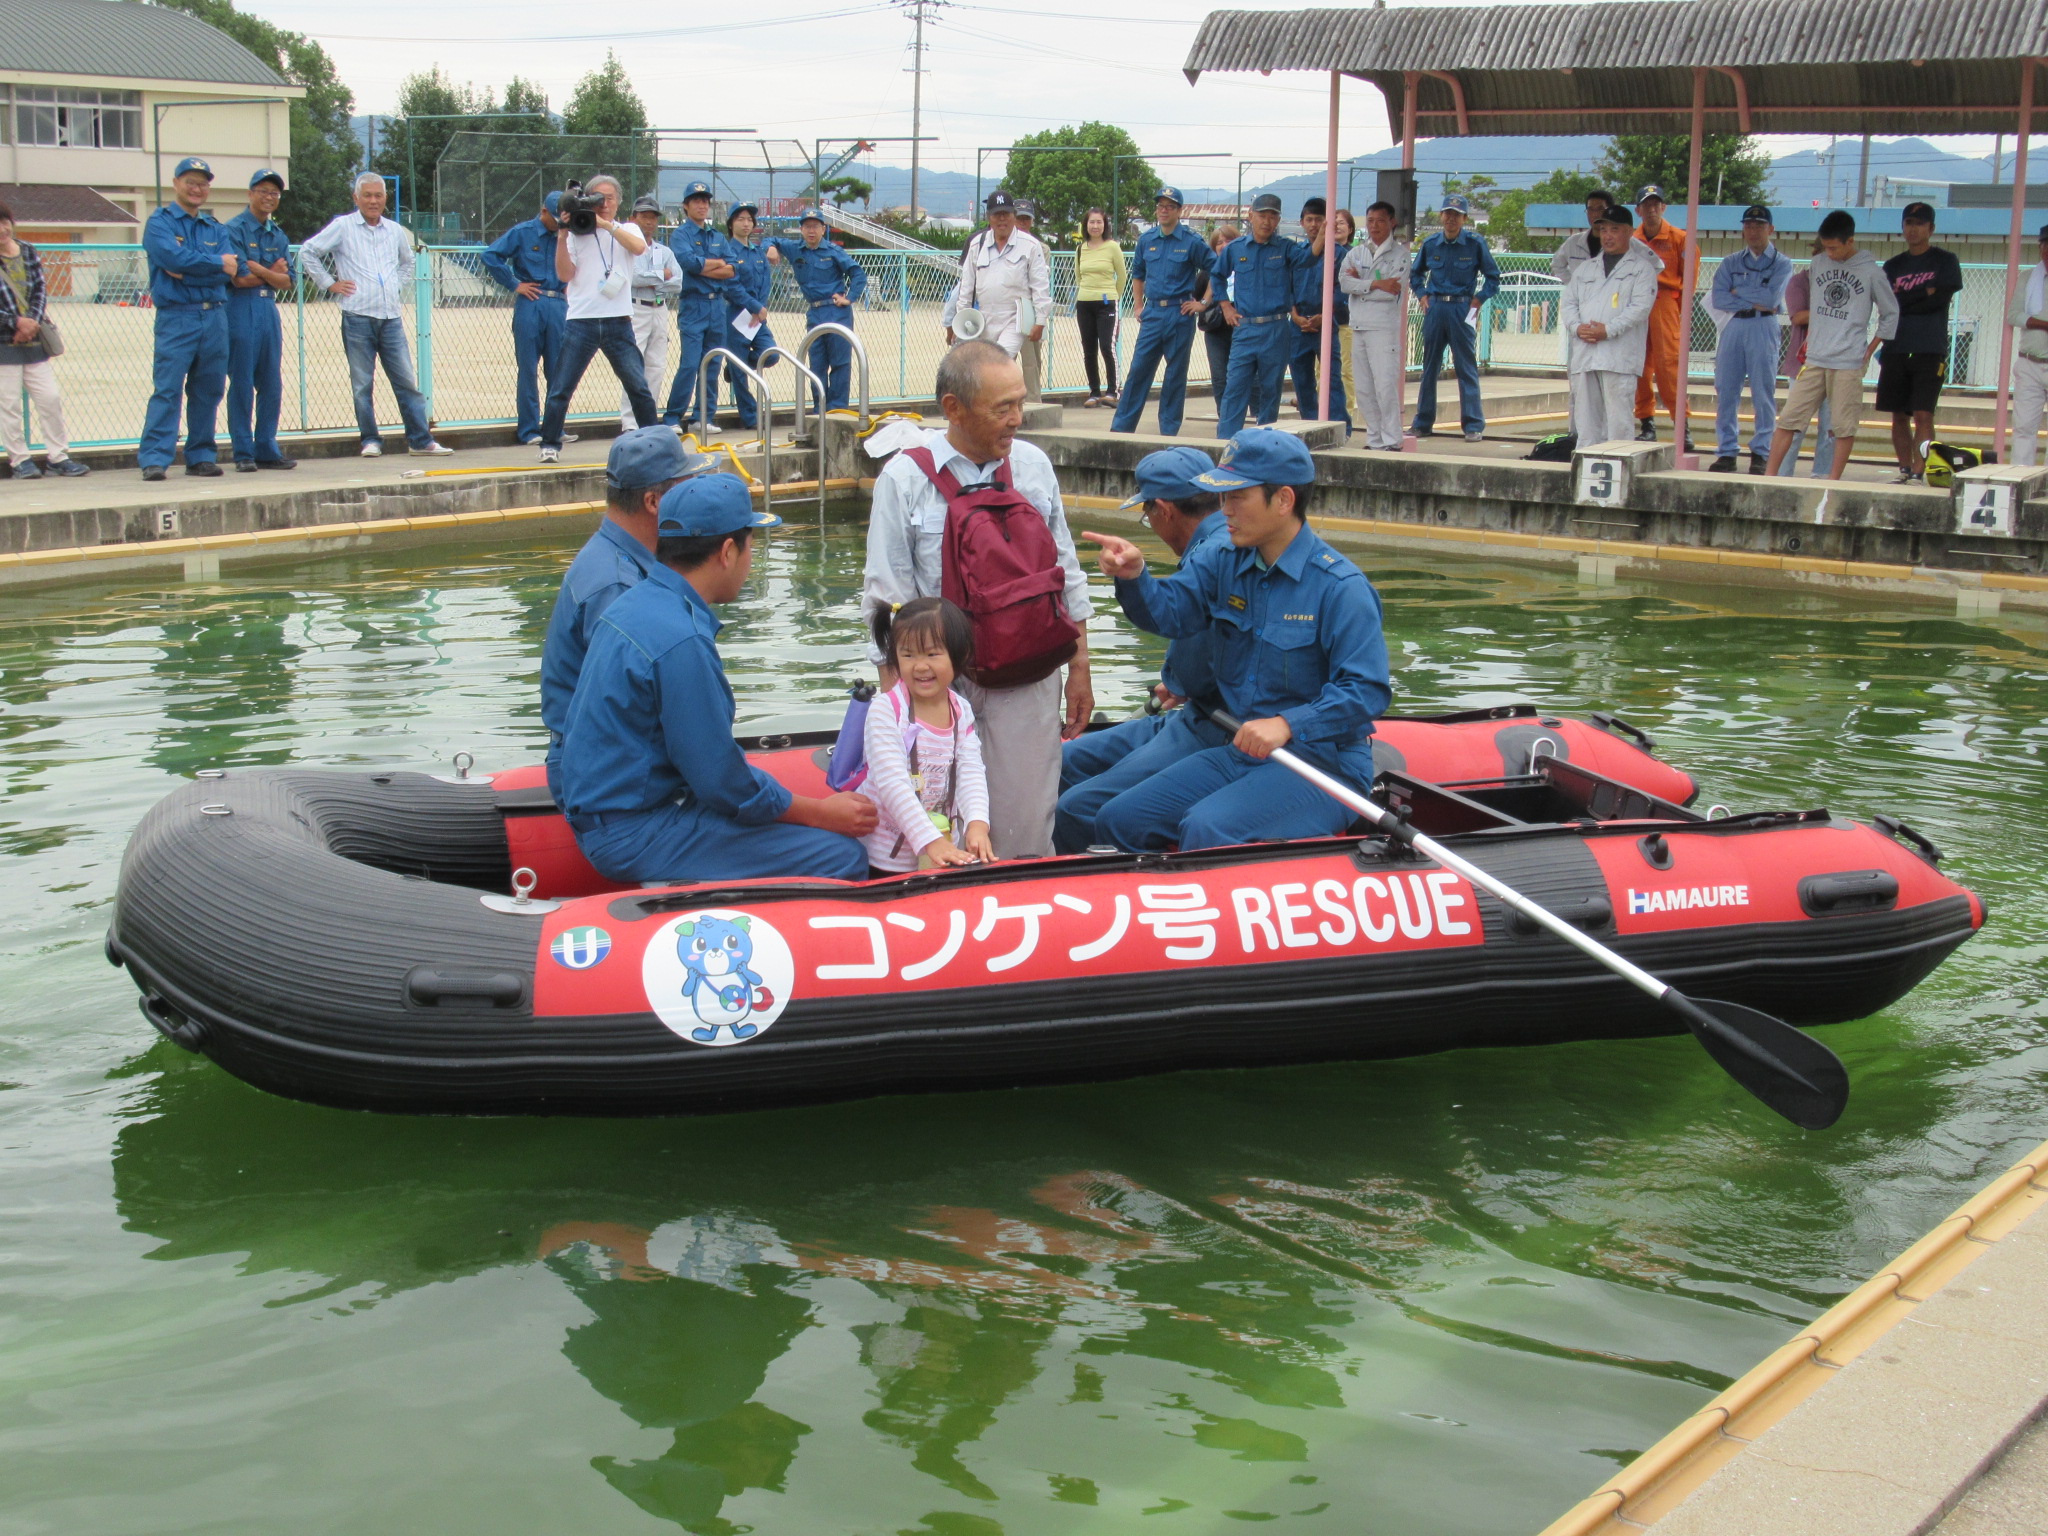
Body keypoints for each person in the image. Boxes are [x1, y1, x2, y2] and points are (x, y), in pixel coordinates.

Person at [1080, 429, 1390, 851]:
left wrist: (1286, 725)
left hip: (1323, 762)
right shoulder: (1226, 562)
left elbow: (1367, 691)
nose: (1223, 510)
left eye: (1236, 497)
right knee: (1120, 818)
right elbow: (1172, 611)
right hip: (1240, 748)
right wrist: (1135, 577)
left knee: (1208, 828)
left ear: (1283, 500)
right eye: (1222, 497)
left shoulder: (1340, 587)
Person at [558, 473, 876, 884]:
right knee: (841, 856)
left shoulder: (633, 603)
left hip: (612, 810)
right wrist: (820, 813)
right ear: (728, 551)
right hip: (635, 832)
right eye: (750, 547)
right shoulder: (681, 639)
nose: (750, 560)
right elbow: (722, 782)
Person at [864, 340, 1094, 859]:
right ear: (953, 408)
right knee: (935, 813)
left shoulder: (1033, 466)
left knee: (1026, 821)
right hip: (940, 678)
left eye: (1020, 402)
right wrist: (897, 703)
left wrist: (1079, 664)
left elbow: (1066, 572)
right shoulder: (903, 478)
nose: (1017, 418)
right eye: (1002, 408)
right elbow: (887, 595)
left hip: (1029, 670)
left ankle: (1026, 905)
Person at [1053, 446, 1229, 853]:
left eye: (1147, 515)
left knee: (1078, 807)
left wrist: (1183, 679)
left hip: (1210, 727)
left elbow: (1180, 623)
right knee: (1063, 763)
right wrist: (1179, 681)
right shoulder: (1217, 545)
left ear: (1164, 510)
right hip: (1192, 709)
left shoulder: (1210, 555)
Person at [540, 425, 714, 799]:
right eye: (685, 488)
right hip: (603, 771)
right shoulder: (618, 585)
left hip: (599, 753)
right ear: (654, 502)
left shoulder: (614, 557)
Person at [300, 173, 452, 461]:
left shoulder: (394, 230)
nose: (373, 201)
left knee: (406, 381)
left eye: (378, 196)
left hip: (390, 318)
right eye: (367, 195)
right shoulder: (343, 227)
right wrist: (329, 283)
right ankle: (370, 439)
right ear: (356, 199)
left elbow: (407, 262)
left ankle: (420, 440)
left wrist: (396, 283)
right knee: (362, 384)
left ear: (385, 199)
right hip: (357, 316)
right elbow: (309, 251)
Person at [860, 597, 995, 872]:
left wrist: (977, 823)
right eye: (908, 655)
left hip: (944, 846)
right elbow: (892, 784)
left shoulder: (960, 710)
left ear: (960, 654)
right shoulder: (886, 711)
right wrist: (929, 841)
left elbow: (970, 770)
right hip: (887, 855)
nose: (920, 666)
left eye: (932, 654)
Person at [1764, 211, 1899, 480]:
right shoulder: (1818, 264)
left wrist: (1870, 349)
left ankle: (1833, 479)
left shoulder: (1871, 272)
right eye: (1825, 247)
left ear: (1850, 241)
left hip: (1848, 361)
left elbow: (1891, 313)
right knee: (1790, 418)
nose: (1829, 252)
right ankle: (1769, 475)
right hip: (1815, 358)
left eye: (1834, 247)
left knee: (1842, 425)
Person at [535, 176, 655, 463]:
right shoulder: (578, 232)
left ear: (618, 202)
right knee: (562, 386)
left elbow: (638, 249)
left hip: (618, 321)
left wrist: (606, 225)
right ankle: (549, 443)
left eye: (609, 198)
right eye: (597, 199)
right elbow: (565, 275)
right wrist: (563, 234)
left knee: (637, 385)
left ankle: (654, 442)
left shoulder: (628, 228)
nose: (603, 204)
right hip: (582, 321)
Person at [139, 156, 237, 481]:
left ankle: (201, 456)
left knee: (208, 389)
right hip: (176, 318)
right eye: (190, 182)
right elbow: (170, 257)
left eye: (203, 183)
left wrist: (186, 273)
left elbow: (232, 270)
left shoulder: (215, 228)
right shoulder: (160, 223)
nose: (197, 189)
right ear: (176, 184)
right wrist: (215, 265)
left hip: (215, 318)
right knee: (167, 388)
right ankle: (155, 458)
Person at [1212, 193, 1324, 438]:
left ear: (1278, 220)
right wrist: (1225, 306)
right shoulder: (1236, 249)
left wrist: (1322, 235)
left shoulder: (1285, 248)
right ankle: (1227, 444)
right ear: (1251, 216)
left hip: (1276, 329)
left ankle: (1263, 443)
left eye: (1273, 216)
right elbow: (1217, 276)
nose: (1267, 221)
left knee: (1270, 390)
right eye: (1262, 215)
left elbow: (1307, 260)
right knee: (1235, 388)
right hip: (1245, 328)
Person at [0, 200, 88, 479]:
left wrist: (32, 322)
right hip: (4, 342)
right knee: (9, 403)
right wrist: (15, 322)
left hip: (34, 340)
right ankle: (19, 460)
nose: (2, 228)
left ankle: (58, 456)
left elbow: (40, 289)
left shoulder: (27, 251)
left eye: (4, 221)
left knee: (49, 398)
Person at [1110, 187, 1208, 437]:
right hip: (1153, 314)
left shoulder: (1191, 241)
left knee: (1175, 375)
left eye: (1170, 206)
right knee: (1138, 371)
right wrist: (1139, 305)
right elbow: (1138, 274)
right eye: (1160, 206)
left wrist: (1203, 303)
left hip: (1180, 313)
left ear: (1179, 211)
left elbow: (1217, 271)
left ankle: (1168, 432)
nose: (1163, 210)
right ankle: (1121, 429)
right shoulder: (1147, 240)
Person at [1562, 203, 1661, 446]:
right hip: (1585, 355)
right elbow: (1568, 304)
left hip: (1619, 356)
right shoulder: (1585, 268)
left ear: (1629, 232)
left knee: (1618, 423)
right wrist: (1577, 327)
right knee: (1586, 423)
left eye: (1614, 229)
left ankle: (1618, 475)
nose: (1607, 235)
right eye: (1603, 229)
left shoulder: (1641, 270)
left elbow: (1639, 309)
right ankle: (1585, 472)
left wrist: (1607, 330)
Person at [1879, 203, 1965, 483]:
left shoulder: (1945, 260)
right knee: (1898, 414)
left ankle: (1920, 470)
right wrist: (1923, 293)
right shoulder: (1893, 266)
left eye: (1919, 223)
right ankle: (1904, 468)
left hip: (1930, 347)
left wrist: (1908, 296)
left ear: (1931, 228)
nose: (1912, 229)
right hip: (1896, 347)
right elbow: (1890, 305)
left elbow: (1940, 300)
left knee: (1923, 413)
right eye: (1908, 222)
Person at [1707, 204, 1794, 474]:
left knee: (1763, 390)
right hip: (1734, 325)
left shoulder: (1782, 263)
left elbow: (1772, 300)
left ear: (1771, 229)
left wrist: (1739, 292)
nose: (1753, 230)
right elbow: (1719, 298)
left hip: (1763, 327)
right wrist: (1752, 296)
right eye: (1748, 225)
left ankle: (1761, 451)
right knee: (1726, 389)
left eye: (1758, 225)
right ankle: (1727, 451)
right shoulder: (1730, 262)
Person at [1408, 194, 1498, 443]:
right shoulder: (1430, 244)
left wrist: (1478, 300)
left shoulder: (1475, 243)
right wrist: (1422, 295)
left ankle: (1473, 425)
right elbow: (1415, 275)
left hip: (1462, 308)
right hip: (1436, 308)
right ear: (1441, 215)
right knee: (1430, 367)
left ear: (1465, 218)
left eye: (1457, 214)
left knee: (1466, 367)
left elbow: (1493, 277)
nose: (1451, 219)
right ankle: (1422, 423)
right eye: (1447, 213)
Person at [223, 168, 296, 472]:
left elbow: (287, 281)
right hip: (241, 308)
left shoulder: (277, 234)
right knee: (241, 381)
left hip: (268, 310)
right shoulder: (234, 230)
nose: (269, 197)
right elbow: (239, 279)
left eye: (275, 193)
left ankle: (266, 446)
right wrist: (271, 272)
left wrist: (261, 269)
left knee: (271, 383)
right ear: (250, 193)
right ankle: (243, 452)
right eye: (263, 191)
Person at [480, 192, 566, 445]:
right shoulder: (523, 232)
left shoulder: (567, 234)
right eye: (555, 219)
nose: (558, 224)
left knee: (558, 371)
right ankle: (529, 430)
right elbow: (490, 256)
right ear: (543, 212)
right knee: (528, 369)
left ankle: (555, 429)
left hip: (559, 302)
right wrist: (514, 284)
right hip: (531, 302)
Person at [763, 207, 868, 414]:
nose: (811, 231)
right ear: (801, 229)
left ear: (823, 229)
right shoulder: (795, 249)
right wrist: (771, 248)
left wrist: (849, 298)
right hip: (814, 313)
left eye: (816, 227)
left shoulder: (833, 251)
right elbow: (770, 240)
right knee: (816, 364)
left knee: (840, 363)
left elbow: (858, 274)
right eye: (807, 226)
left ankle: (837, 410)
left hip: (836, 312)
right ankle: (819, 409)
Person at [661, 181, 738, 430]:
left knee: (713, 362)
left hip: (717, 307)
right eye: (696, 200)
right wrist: (715, 264)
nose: (702, 205)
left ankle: (703, 417)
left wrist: (707, 266)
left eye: (705, 201)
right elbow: (688, 264)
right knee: (690, 363)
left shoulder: (716, 235)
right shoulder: (681, 235)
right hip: (693, 305)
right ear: (686, 206)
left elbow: (732, 268)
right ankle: (673, 417)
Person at [951, 192, 1050, 370]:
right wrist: (962, 319)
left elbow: (1040, 285)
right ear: (989, 217)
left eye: (1006, 214)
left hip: (1015, 319)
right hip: (983, 319)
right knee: (983, 369)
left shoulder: (1030, 245)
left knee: (998, 362)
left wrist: (1041, 320)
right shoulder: (976, 245)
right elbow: (966, 287)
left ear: (1014, 215)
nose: (1002, 219)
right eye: (997, 214)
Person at [1339, 200, 1409, 452]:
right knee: (1364, 388)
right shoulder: (1357, 252)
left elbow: (1392, 291)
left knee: (1385, 385)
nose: (1375, 226)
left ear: (1392, 222)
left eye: (1380, 220)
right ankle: (1375, 439)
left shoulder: (1400, 254)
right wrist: (1375, 284)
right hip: (1358, 325)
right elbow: (1344, 282)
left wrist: (1363, 285)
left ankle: (1392, 439)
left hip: (1383, 328)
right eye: (1370, 221)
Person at [1630, 185, 1691, 447]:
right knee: (1639, 367)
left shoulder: (1680, 239)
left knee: (1669, 367)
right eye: (1647, 205)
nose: (1652, 209)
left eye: (1657, 204)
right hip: (1637, 304)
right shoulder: (1631, 240)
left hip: (1665, 303)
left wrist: (1680, 312)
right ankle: (1647, 423)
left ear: (1664, 208)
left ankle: (1682, 427)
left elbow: (1690, 282)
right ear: (1638, 210)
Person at [620, 194, 683, 431]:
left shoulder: (663, 251)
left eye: (653, 217)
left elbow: (677, 282)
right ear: (632, 219)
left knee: (656, 366)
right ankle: (629, 422)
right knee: (633, 366)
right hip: (636, 308)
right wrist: (660, 276)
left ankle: (648, 419)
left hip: (660, 307)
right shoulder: (626, 248)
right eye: (644, 216)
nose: (649, 222)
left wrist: (652, 281)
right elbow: (632, 277)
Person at [1288, 196, 1350, 434]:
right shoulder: (1296, 253)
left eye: (1319, 220)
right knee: (1302, 380)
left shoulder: (1339, 254)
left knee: (1332, 380)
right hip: (1298, 325)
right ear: (1302, 222)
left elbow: (1343, 290)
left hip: (1326, 323)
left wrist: (1325, 315)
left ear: (1328, 222)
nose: (1314, 225)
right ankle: (1309, 428)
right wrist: (1293, 314)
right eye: (1309, 220)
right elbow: (1287, 287)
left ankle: (1340, 429)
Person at [1774, 239, 1833, 479]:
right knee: (1794, 424)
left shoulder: (1842, 283)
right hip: (1803, 363)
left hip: (1835, 361)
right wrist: (1834, 311)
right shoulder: (1799, 282)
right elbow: (1798, 317)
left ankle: (1823, 475)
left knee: (1830, 428)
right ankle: (1783, 475)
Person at [713, 202, 773, 430]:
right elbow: (731, 286)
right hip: (736, 314)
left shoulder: (757, 251)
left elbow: (765, 280)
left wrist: (760, 308)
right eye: (740, 219)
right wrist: (753, 306)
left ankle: (735, 366)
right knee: (741, 375)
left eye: (749, 219)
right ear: (731, 224)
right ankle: (751, 417)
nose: (746, 224)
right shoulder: (728, 252)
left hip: (757, 316)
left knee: (771, 354)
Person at [1073, 207, 1126, 409]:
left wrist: (1114, 296)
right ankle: (1094, 392)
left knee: (1107, 346)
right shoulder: (1080, 249)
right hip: (1085, 302)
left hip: (1107, 303)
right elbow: (1079, 277)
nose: (1095, 226)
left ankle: (1113, 391)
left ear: (1105, 225)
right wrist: (1088, 292)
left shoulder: (1113, 247)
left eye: (1099, 222)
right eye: (1092, 222)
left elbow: (1122, 276)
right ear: (1086, 225)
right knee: (1088, 349)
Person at [2006, 224, 2048, 467]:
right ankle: (2021, 478)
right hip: (2029, 362)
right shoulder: (2027, 278)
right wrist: (2042, 324)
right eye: (2045, 245)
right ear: (2040, 247)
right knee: (2023, 428)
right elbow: (2014, 315)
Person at [1198, 222, 1238, 417]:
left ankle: (1256, 416)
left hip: (1242, 328)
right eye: (1219, 242)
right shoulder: (1208, 272)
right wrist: (1203, 303)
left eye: (1229, 241)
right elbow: (1195, 296)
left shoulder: (1246, 267)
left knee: (1246, 375)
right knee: (1219, 375)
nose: (1224, 245)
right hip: (1216, 330)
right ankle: (1224, 416)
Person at [1013, 201, 1050, 401]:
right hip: (1006, 308)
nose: (1022, 223)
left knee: (1032, 362)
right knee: (1002, 359)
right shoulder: (1002, 244)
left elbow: (1039, 281)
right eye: (1019, 218)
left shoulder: (1041, 248)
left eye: (1026, 218)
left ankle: (1034, 402)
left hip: (1030, 308)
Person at [1551, 190, 1617, 284]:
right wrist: (1573, 285)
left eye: (1600, 209)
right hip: (1581, 298)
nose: (1595, 214)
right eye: (1590, 209)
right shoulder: (1573, 242)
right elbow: (1556, 265)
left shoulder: (1624, 243)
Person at [1332, 207, 1360, 411]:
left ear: (1350, 229)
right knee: (1319, 371)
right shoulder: (1320, 254)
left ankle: (1346, 413)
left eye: (1341, 222)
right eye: (1332, 221)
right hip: (1320, 321)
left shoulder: (1356, 255)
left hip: (1345, 320)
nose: (1336, 226)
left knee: (1345, 370)